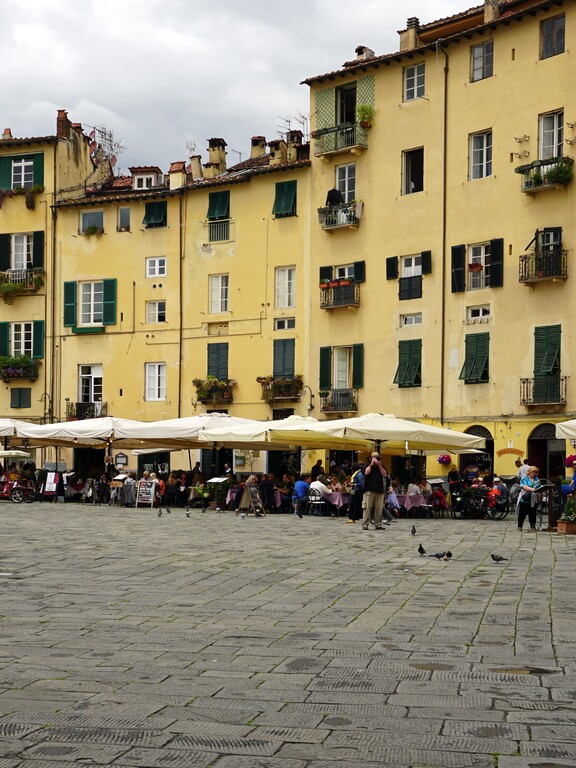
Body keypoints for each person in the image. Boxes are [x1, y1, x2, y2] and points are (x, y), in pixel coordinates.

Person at [362, 452, 387, 530]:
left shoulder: (381, 466)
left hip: (379, 490)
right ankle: (365, 524)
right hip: (369, 490)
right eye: (375, 457)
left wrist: (379, 465)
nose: (377, 459)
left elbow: (385, 474)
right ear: (371, 458)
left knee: (379, 508)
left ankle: (378, 524)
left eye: (378, 457)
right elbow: (366, 472)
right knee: (368, 508)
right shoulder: (367, 465)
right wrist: (372, 464)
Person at [518, 465, 540, 532]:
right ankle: (519, 526)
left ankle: (532, 526)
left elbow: (539, 486)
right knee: (522, 513)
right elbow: (523, 486)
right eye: (533, 472)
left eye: (536, 472)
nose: (534, 473)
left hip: (533, 498)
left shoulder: (537, 479)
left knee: (532, 513)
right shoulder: (525, 478)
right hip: (525, 498)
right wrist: (531, 489)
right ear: (529, 471)